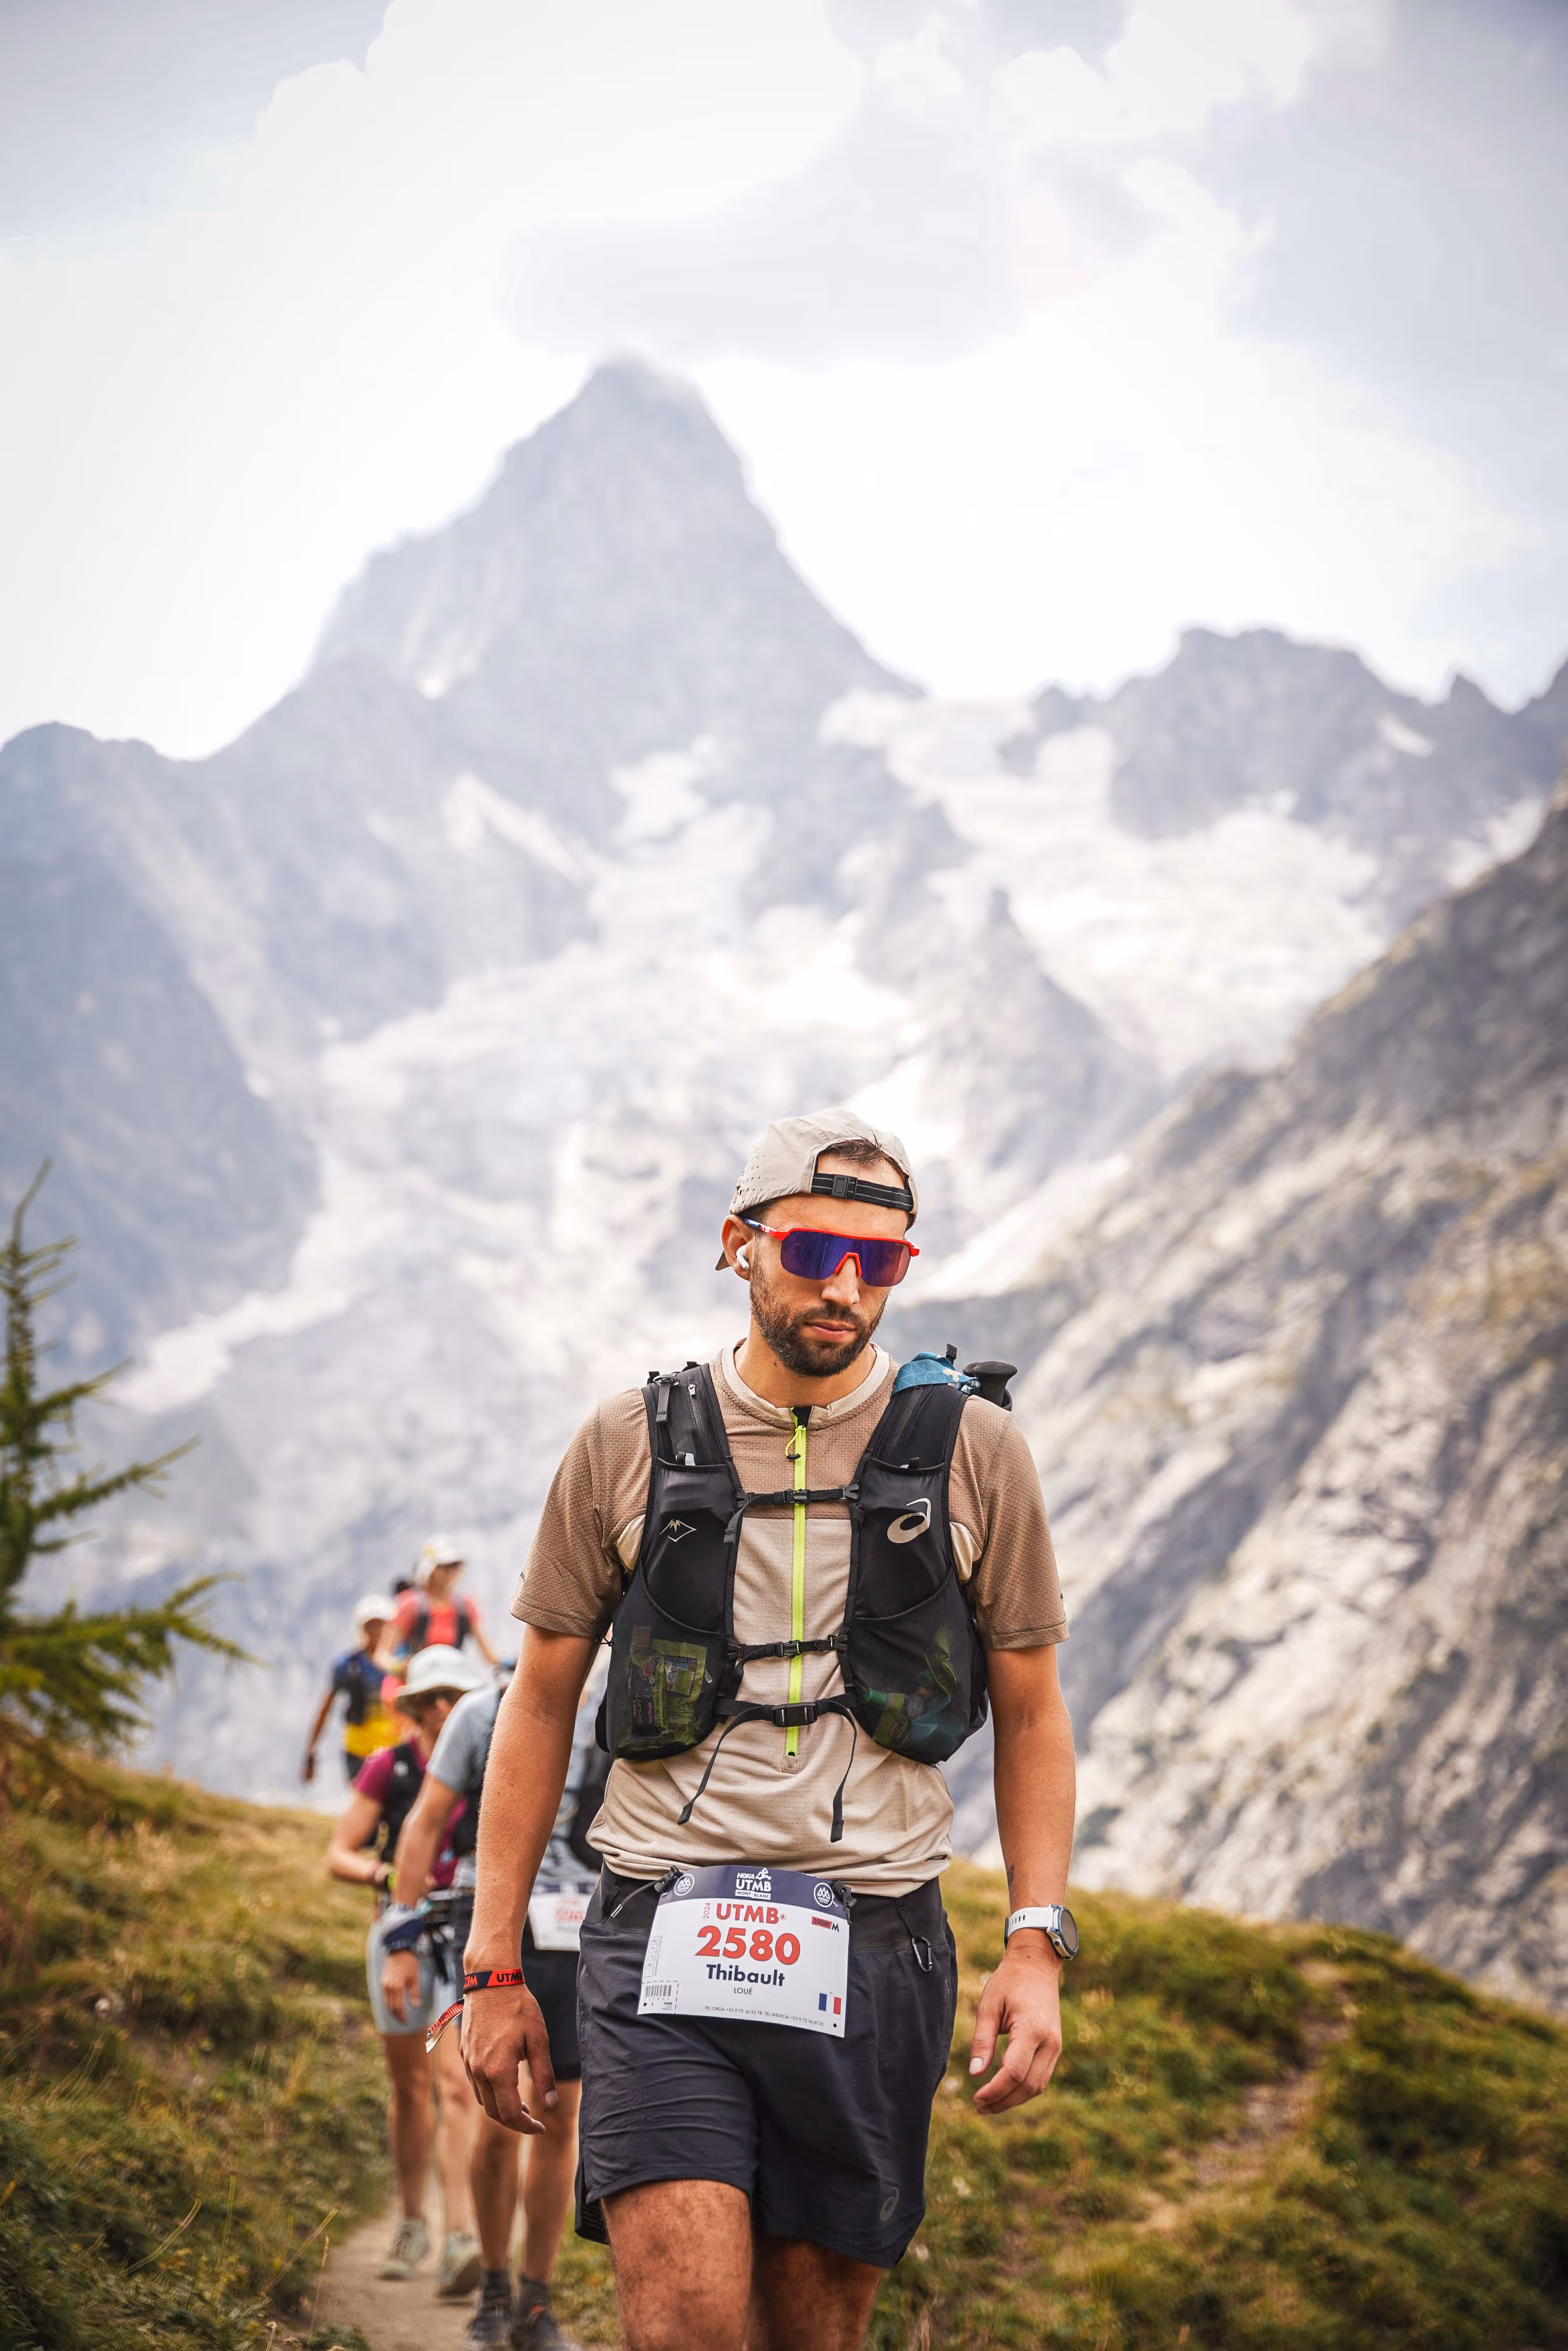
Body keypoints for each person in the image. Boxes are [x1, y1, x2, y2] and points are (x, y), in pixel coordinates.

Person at [455, 1108, 1078, 2351]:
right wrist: (493, 1966)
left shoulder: (975, 1452)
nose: (845, 1286)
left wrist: (1034, 1941)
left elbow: (1030, 1709)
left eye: (879, 1260)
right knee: (683, 2328)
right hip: (657, 1931)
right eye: (811, 1251)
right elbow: (538, 1699)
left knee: (812, 2336)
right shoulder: (623, 1441)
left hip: (876, 1941)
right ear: (738, 1243)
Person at [384, 1659, 603, 2349]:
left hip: (583, 1927)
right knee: (497, 2111)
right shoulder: (482, 1712)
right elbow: (424, 1823)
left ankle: (534, 2301)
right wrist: (399, 1937)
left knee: (559, 2119)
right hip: (494, 1922)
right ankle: (493, 2285)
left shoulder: (622, 1708)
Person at [328, 1644, 492, 2296]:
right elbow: (339, 1852)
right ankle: (411, 2222)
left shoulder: (488, 1764)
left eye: (454, 1696)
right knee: (408, 2087)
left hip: (461, 1937)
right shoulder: (389, 1767)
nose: (444, 1707)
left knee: (454, 2083)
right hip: (398, 1938)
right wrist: (387, 1875)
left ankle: (460, 2237)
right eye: (432, 1698)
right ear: (416, 1706)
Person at [303, 1593, 398, 1784]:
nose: (377, 1630)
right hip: (358, 1751)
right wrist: (311, 1751)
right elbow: (326, 1708)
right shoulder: (348, 1665)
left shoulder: (400, 1665)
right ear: (362, 1628)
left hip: (394, 1749)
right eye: (371, 1625)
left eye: (381, 1624)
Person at [378, 1538, 500, 1671]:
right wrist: (399, 1668)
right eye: (445, 1567)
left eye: (455, 1566)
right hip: (416, 1678)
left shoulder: (465, 1605)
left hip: (452, 1677)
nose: (451, 1572)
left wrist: (510, 1665)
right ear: (430, 1569)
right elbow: (382, 1655)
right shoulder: (410, 1604)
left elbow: (490, 1657)